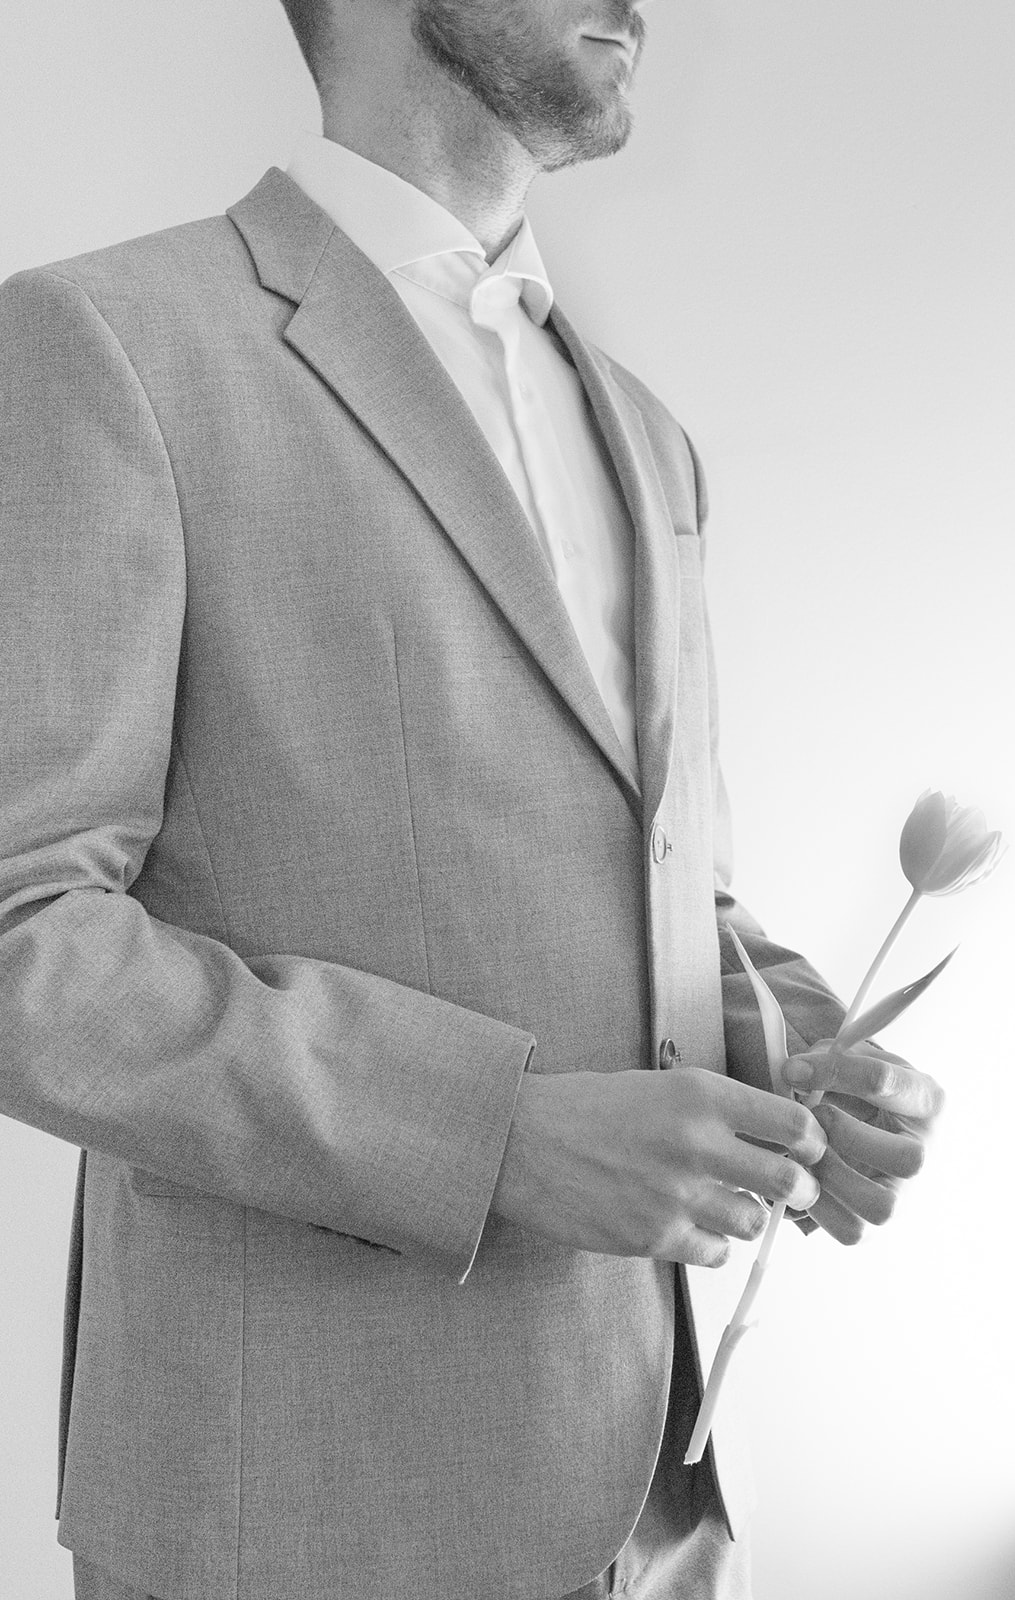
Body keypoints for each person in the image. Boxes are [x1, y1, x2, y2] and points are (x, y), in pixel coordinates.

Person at [0, 2, 945, 1597]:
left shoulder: (650, 436)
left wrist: (794, 1049)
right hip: (299, 1515)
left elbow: (657, 877)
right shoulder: (108, 343)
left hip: (653, 1501)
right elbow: (26, 938)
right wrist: (492, 1136)